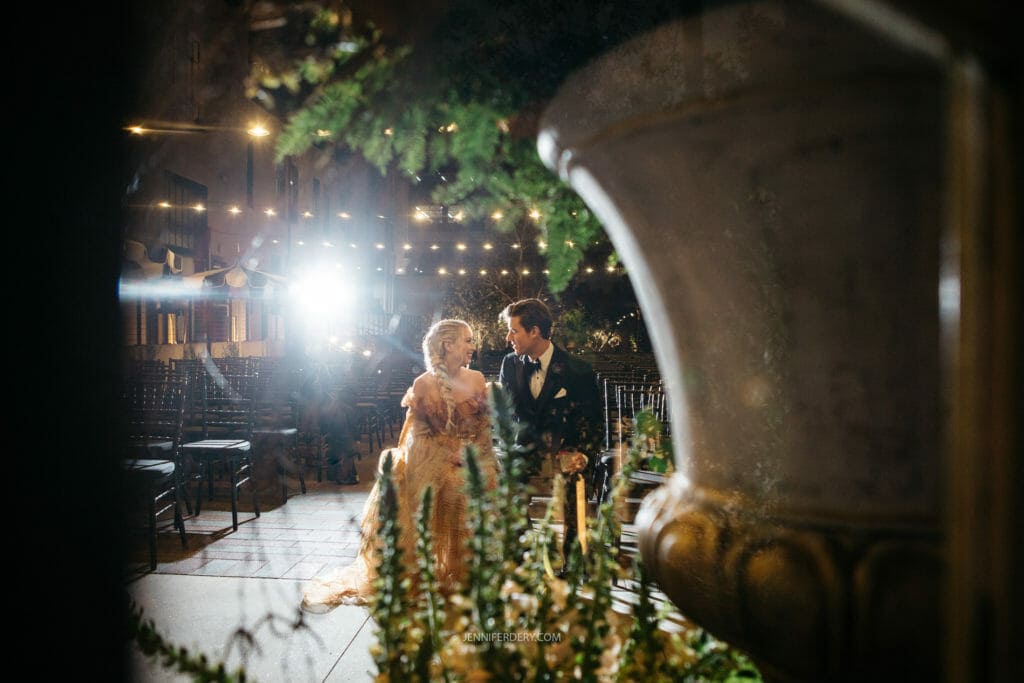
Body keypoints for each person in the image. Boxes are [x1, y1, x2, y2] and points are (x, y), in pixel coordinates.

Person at [301, 319, 496, 611]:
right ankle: (423, 576)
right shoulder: (423, 384)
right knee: (439, 492)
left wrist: (468, 454)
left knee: (470, 489)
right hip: (429, 458)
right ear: (447, 345)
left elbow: (482, 430)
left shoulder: (477, 379)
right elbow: (414, 436)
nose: (473, 346)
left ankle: (463, 576)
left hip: (466, 456)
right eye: (467, 340)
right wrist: (446, 455)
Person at [497, 298, 602, 566]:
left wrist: (584, 455)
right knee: (505, 488)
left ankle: (571, 558)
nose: (508, 337)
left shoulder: (578, 369)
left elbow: (592, 420)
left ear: (534, 331)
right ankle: (526, 554)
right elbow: (505, 415)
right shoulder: (510, 364)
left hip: (565, 450)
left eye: (514, 330)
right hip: (526, 452)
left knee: (575, 481)